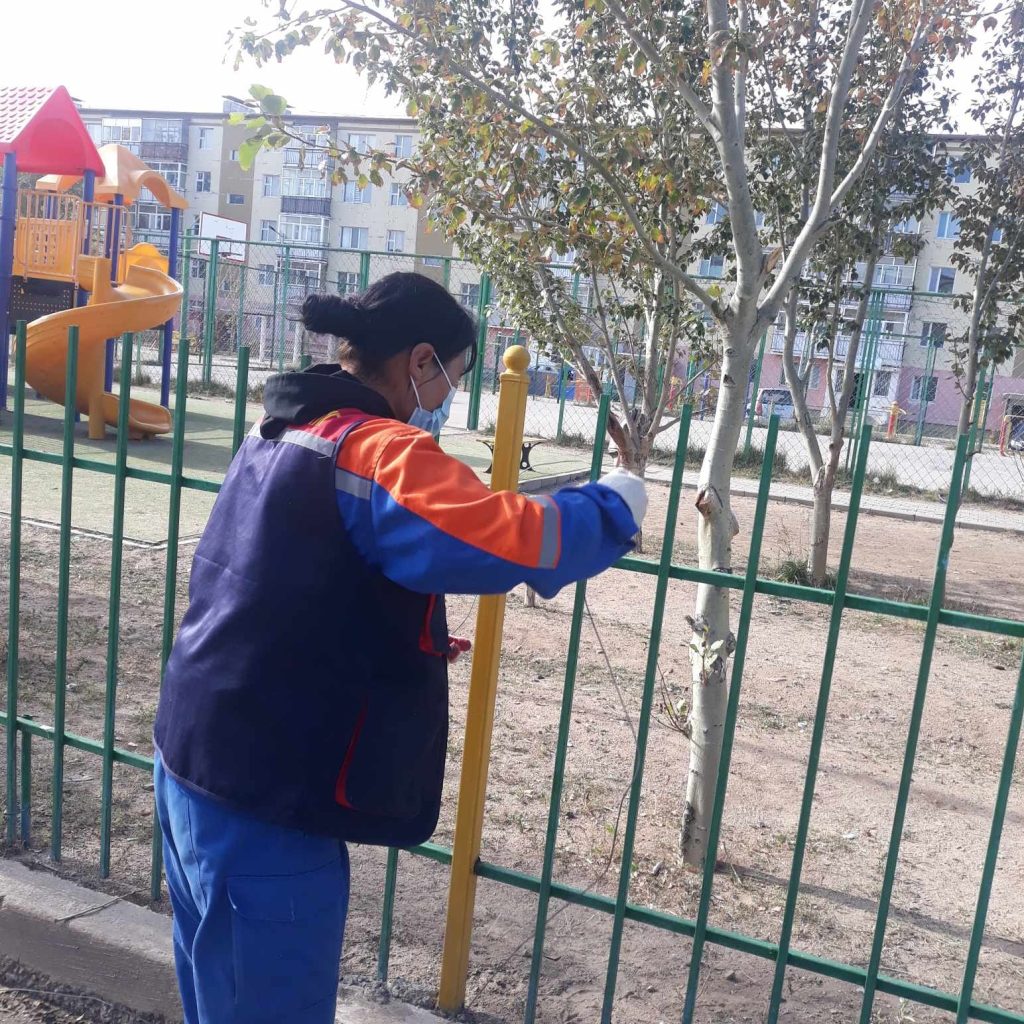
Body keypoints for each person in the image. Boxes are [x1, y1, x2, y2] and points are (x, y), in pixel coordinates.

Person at [152, 272, 647, 1024]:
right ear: (420, 362)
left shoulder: (282, 425)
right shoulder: (376, 450)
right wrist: (612, 506)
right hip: (265, 794)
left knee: (217, 1000)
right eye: (453, 375)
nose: (447, 397)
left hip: (193, 756)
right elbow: (511, 537)